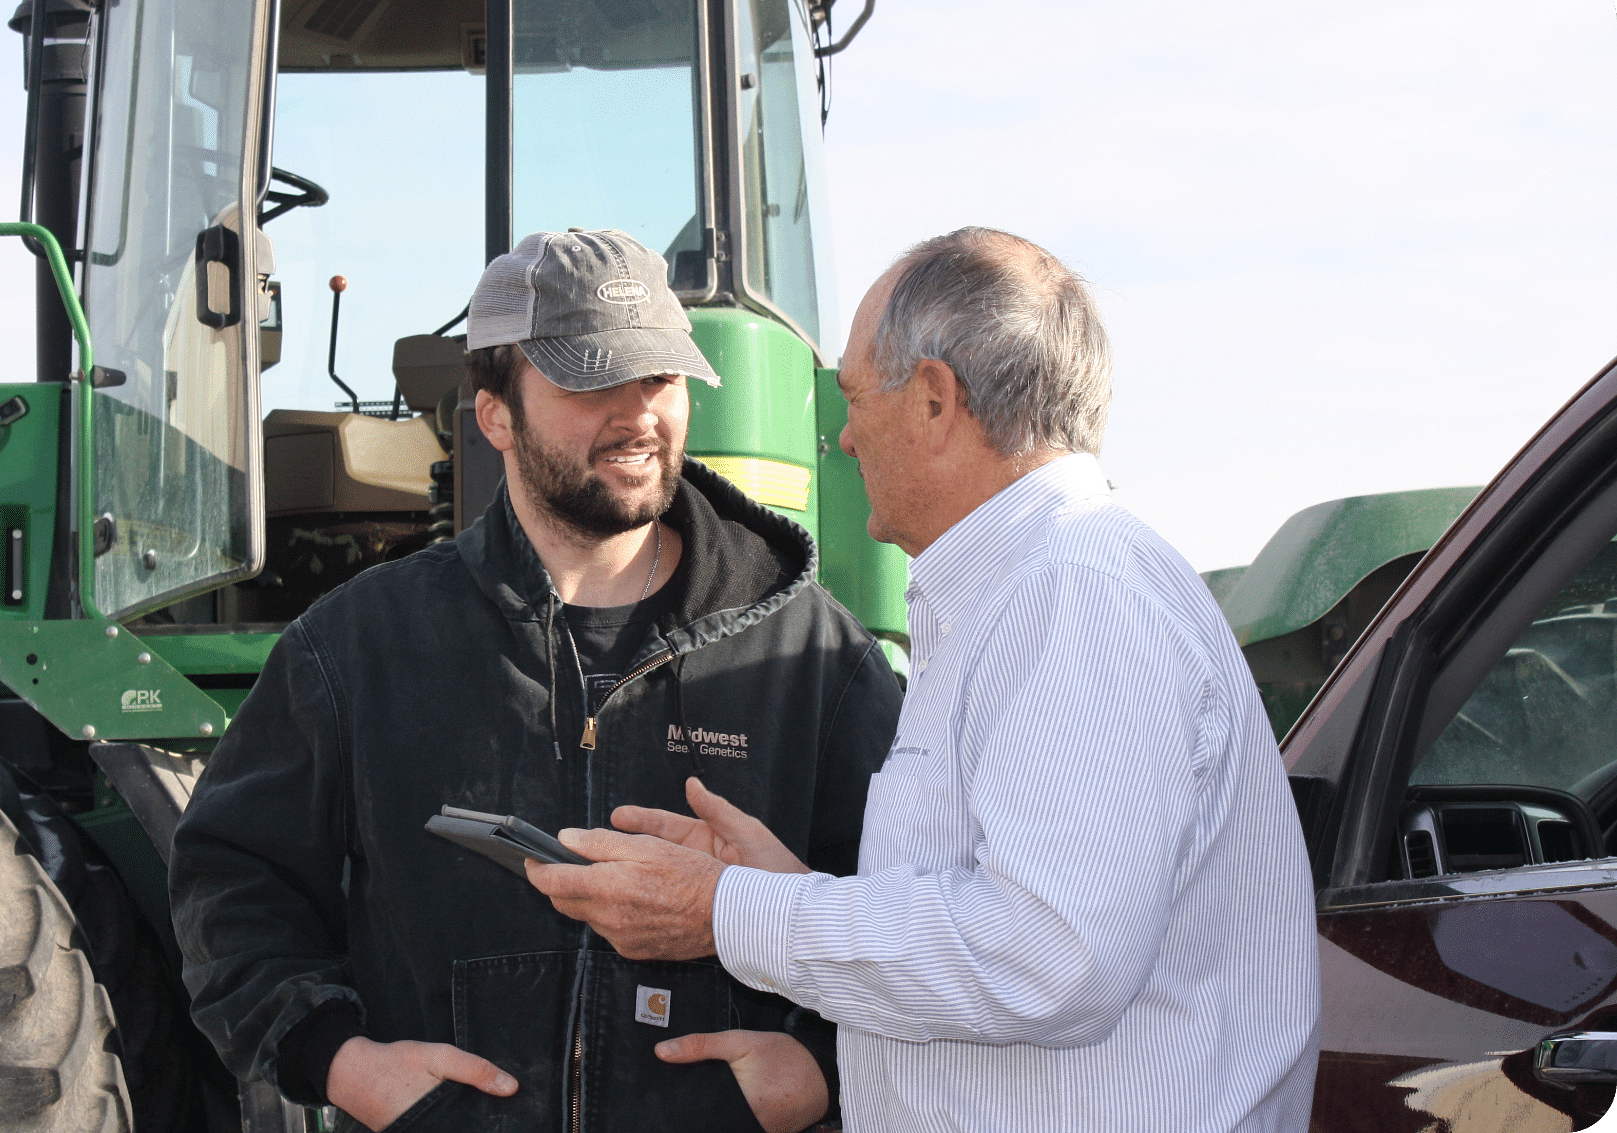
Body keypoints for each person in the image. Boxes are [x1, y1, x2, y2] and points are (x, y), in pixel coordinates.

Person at [529, 227, 1323, 1132]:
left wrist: (731, 913)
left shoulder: (1081, 597)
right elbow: (985, 912)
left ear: (938, 401)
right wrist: (791, 890)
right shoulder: (1023, 593)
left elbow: (1047, 957)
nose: (845, 435)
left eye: (859, 398)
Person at [169, 228, 903, 1133]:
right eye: (592, 382)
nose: (638, 416)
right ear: (495, 416)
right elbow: (231, 881)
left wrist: (821, 1068)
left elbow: (913, 912)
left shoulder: (809, 656)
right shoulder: (364, 645)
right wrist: (345, 1062)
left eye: (661, 379)